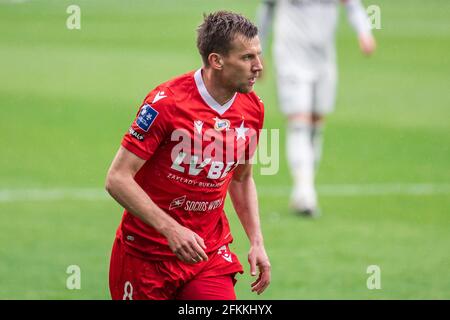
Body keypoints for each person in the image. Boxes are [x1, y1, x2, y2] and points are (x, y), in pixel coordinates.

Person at [105, 11, 271, 300]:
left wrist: (257, 241)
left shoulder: (252, 109)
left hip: (207, 255)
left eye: (258, 55)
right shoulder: (166, 104)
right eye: (247, 58)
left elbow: (241, 179)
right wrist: (171, 230)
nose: (258, 66)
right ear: (216, 60)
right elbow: (117, 178)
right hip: (146, 255)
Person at [257, 0, 376, 217]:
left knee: (316, 122)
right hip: (290, 57)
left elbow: (352, 5)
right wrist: (259, 50)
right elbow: (266, 9)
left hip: (324, 60)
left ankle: (303, 188)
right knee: (299, 122)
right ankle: (305, 192)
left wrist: (364, 32)